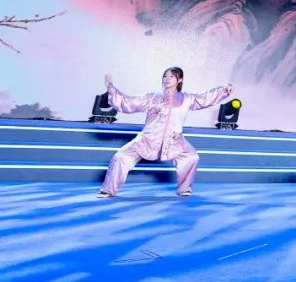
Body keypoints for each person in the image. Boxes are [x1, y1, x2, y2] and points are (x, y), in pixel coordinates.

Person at [97, 67, 234, 198]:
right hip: (147, 140)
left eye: (171, 76)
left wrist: (224, 90)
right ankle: (108, 189)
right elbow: (129, 102)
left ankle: (184, 188)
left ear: (180, 80)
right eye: (165, 76)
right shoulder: (152, 98)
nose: (167, 79)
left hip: (174, 141)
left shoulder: (187, 99)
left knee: (191, 157)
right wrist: (111, 89)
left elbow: (204, 98)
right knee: (120, 157)